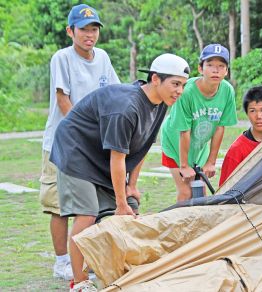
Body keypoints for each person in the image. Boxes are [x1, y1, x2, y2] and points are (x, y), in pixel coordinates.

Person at [50, 53, 190, 291]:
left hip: (101, 156)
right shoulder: (126, 107)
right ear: (155, 79)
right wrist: (120, 202)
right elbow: (118, 158)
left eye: (183, 85)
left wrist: (131, 186)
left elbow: (142, 147)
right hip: (76, 150)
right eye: (175, 84)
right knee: (87, 214)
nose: (179, 91)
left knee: (132, 211)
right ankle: (80, 282)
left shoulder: (160, 104)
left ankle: (122, 271)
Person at [39, 3, 119, 281]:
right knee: (59, 206)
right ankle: (61, 261)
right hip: (61, 144)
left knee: (89, 207)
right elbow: (64, 101)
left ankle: (84, 259)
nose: (90, 35)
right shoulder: (62, 58)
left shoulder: (103, 58)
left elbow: (112, 95)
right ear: (70, 31)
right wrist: (85, 133)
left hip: (92, 147)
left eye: (94, 29)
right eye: (84, 29)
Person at [160, 44, 238, 202]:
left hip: (198, 146)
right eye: (210, 65)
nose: (215, 70)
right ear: (201, 68)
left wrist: (211, 162)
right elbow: (184, 131)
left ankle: (196, 227)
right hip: (175, 144)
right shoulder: (187, 92)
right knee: (186, 192)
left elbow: (220, 127)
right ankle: (179, 225)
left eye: (221, 66)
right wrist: (184, 166)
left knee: (200, 192)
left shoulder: (227, 91)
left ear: (226, 71)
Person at [219, 85, 262, 186]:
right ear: (246, 113)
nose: (259, 116)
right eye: (253, 111)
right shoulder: (237, 151)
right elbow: (225, 191)